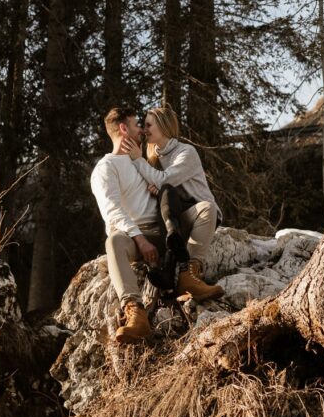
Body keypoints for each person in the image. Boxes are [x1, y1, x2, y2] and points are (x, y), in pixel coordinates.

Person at [119, 104, 224, 303]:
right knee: (166, 192)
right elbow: (153, 183)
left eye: (149, 125)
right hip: (171, 219)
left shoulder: (186, 152)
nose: (144, 129)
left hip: (198, 215)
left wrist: (139, 161)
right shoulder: (153, 158)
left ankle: (188, 275)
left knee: (188, 198)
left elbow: (163, 180)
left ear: (164, 126)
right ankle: (169, 262)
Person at [90, 106, 162, 344]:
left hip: (163, 229)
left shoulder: (142, 159)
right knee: (114, 241)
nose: (141, 129)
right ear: (123, 128)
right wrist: (140, 239)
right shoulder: (106, 167)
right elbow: (112, 210)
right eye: (136, 125)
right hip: (132, 237)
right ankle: (136, 313)